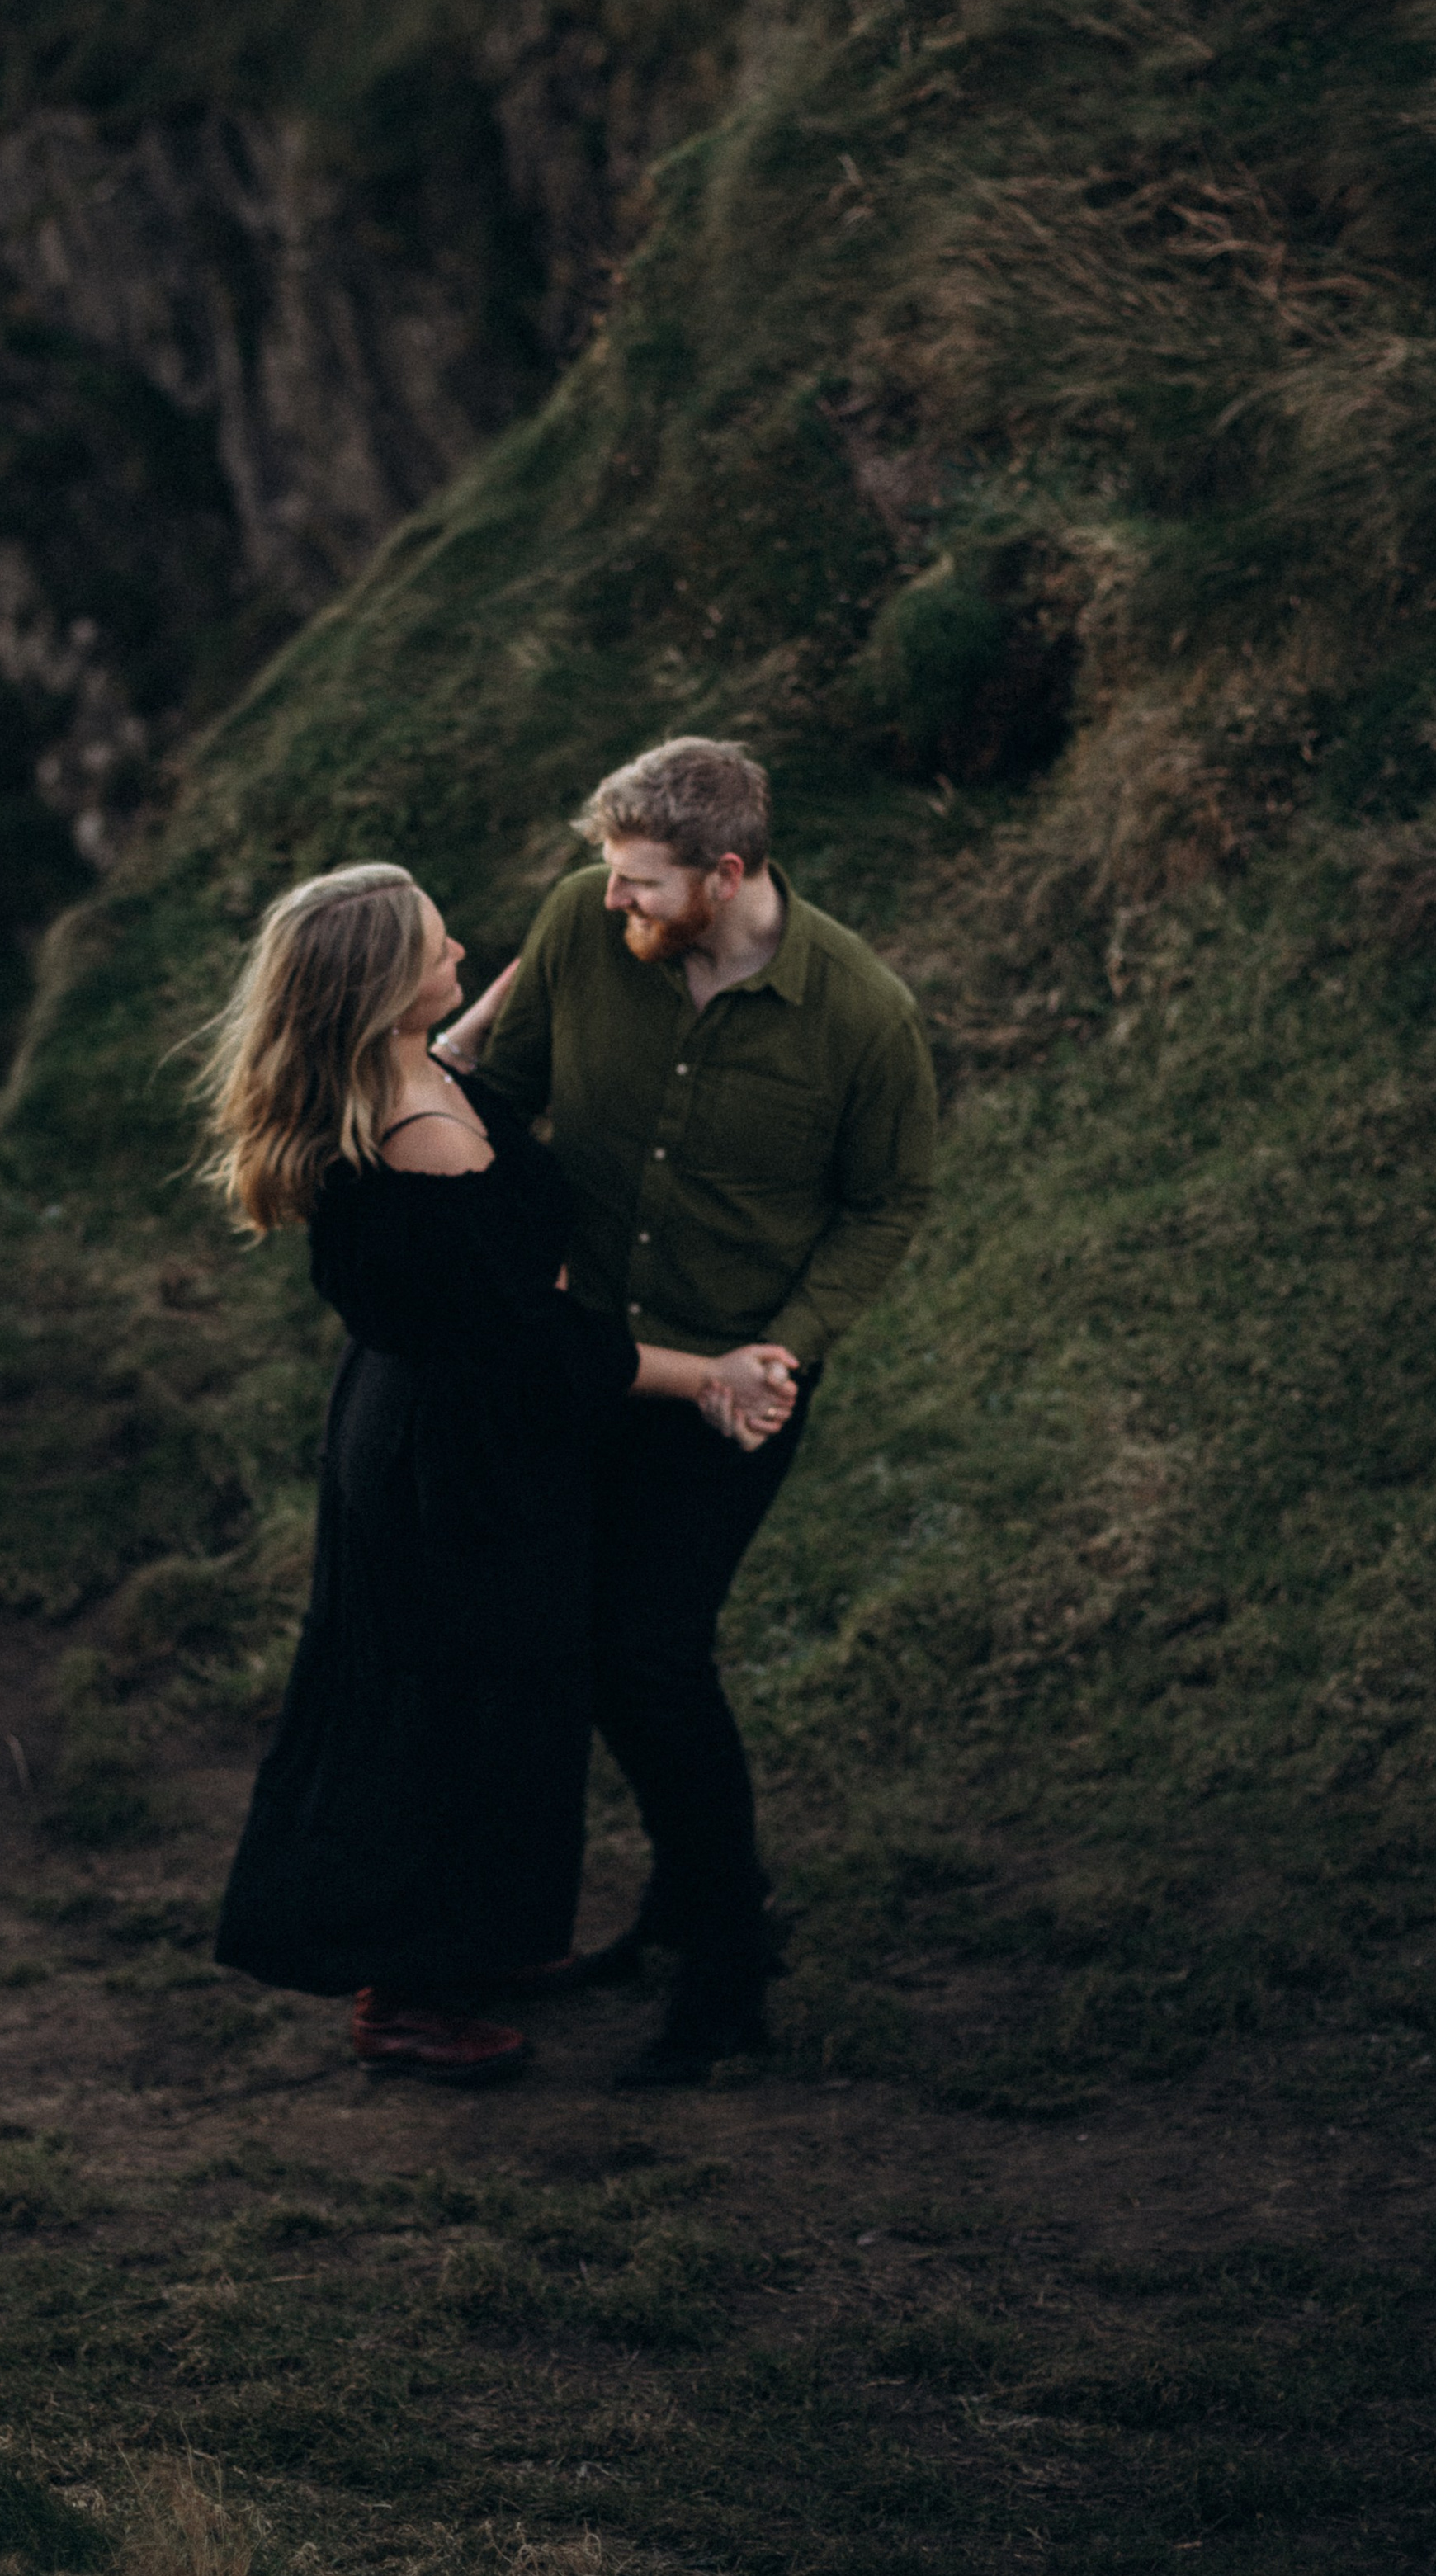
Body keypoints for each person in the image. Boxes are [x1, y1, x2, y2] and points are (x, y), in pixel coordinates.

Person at [201, 861, 800, 2087]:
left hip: (427, 1425)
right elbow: (536, 1346)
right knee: (449, 1709)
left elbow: (453, 1066)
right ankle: (404, 1994)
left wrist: (513, 996)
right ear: (379, 993)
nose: (460, 951)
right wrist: (711, 1376)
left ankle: (461, 1944)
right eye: (436, 947)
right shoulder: (414, 1139)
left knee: (476, 1696)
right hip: (454, 1454)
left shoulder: (387, 1076)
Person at [441, 738, 938, 2086]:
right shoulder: (576, 925)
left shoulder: (864, 1018)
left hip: (734, 1388)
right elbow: (503, 1102)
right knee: (575, 1647)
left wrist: (791, 1343)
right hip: (581, 1362)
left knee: (652, 1658)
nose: (615, 907)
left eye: (642, 887)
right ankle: (677, 1904)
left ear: (726, 876)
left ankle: (728, 1963)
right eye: (608, 880)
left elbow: (890, 1201)